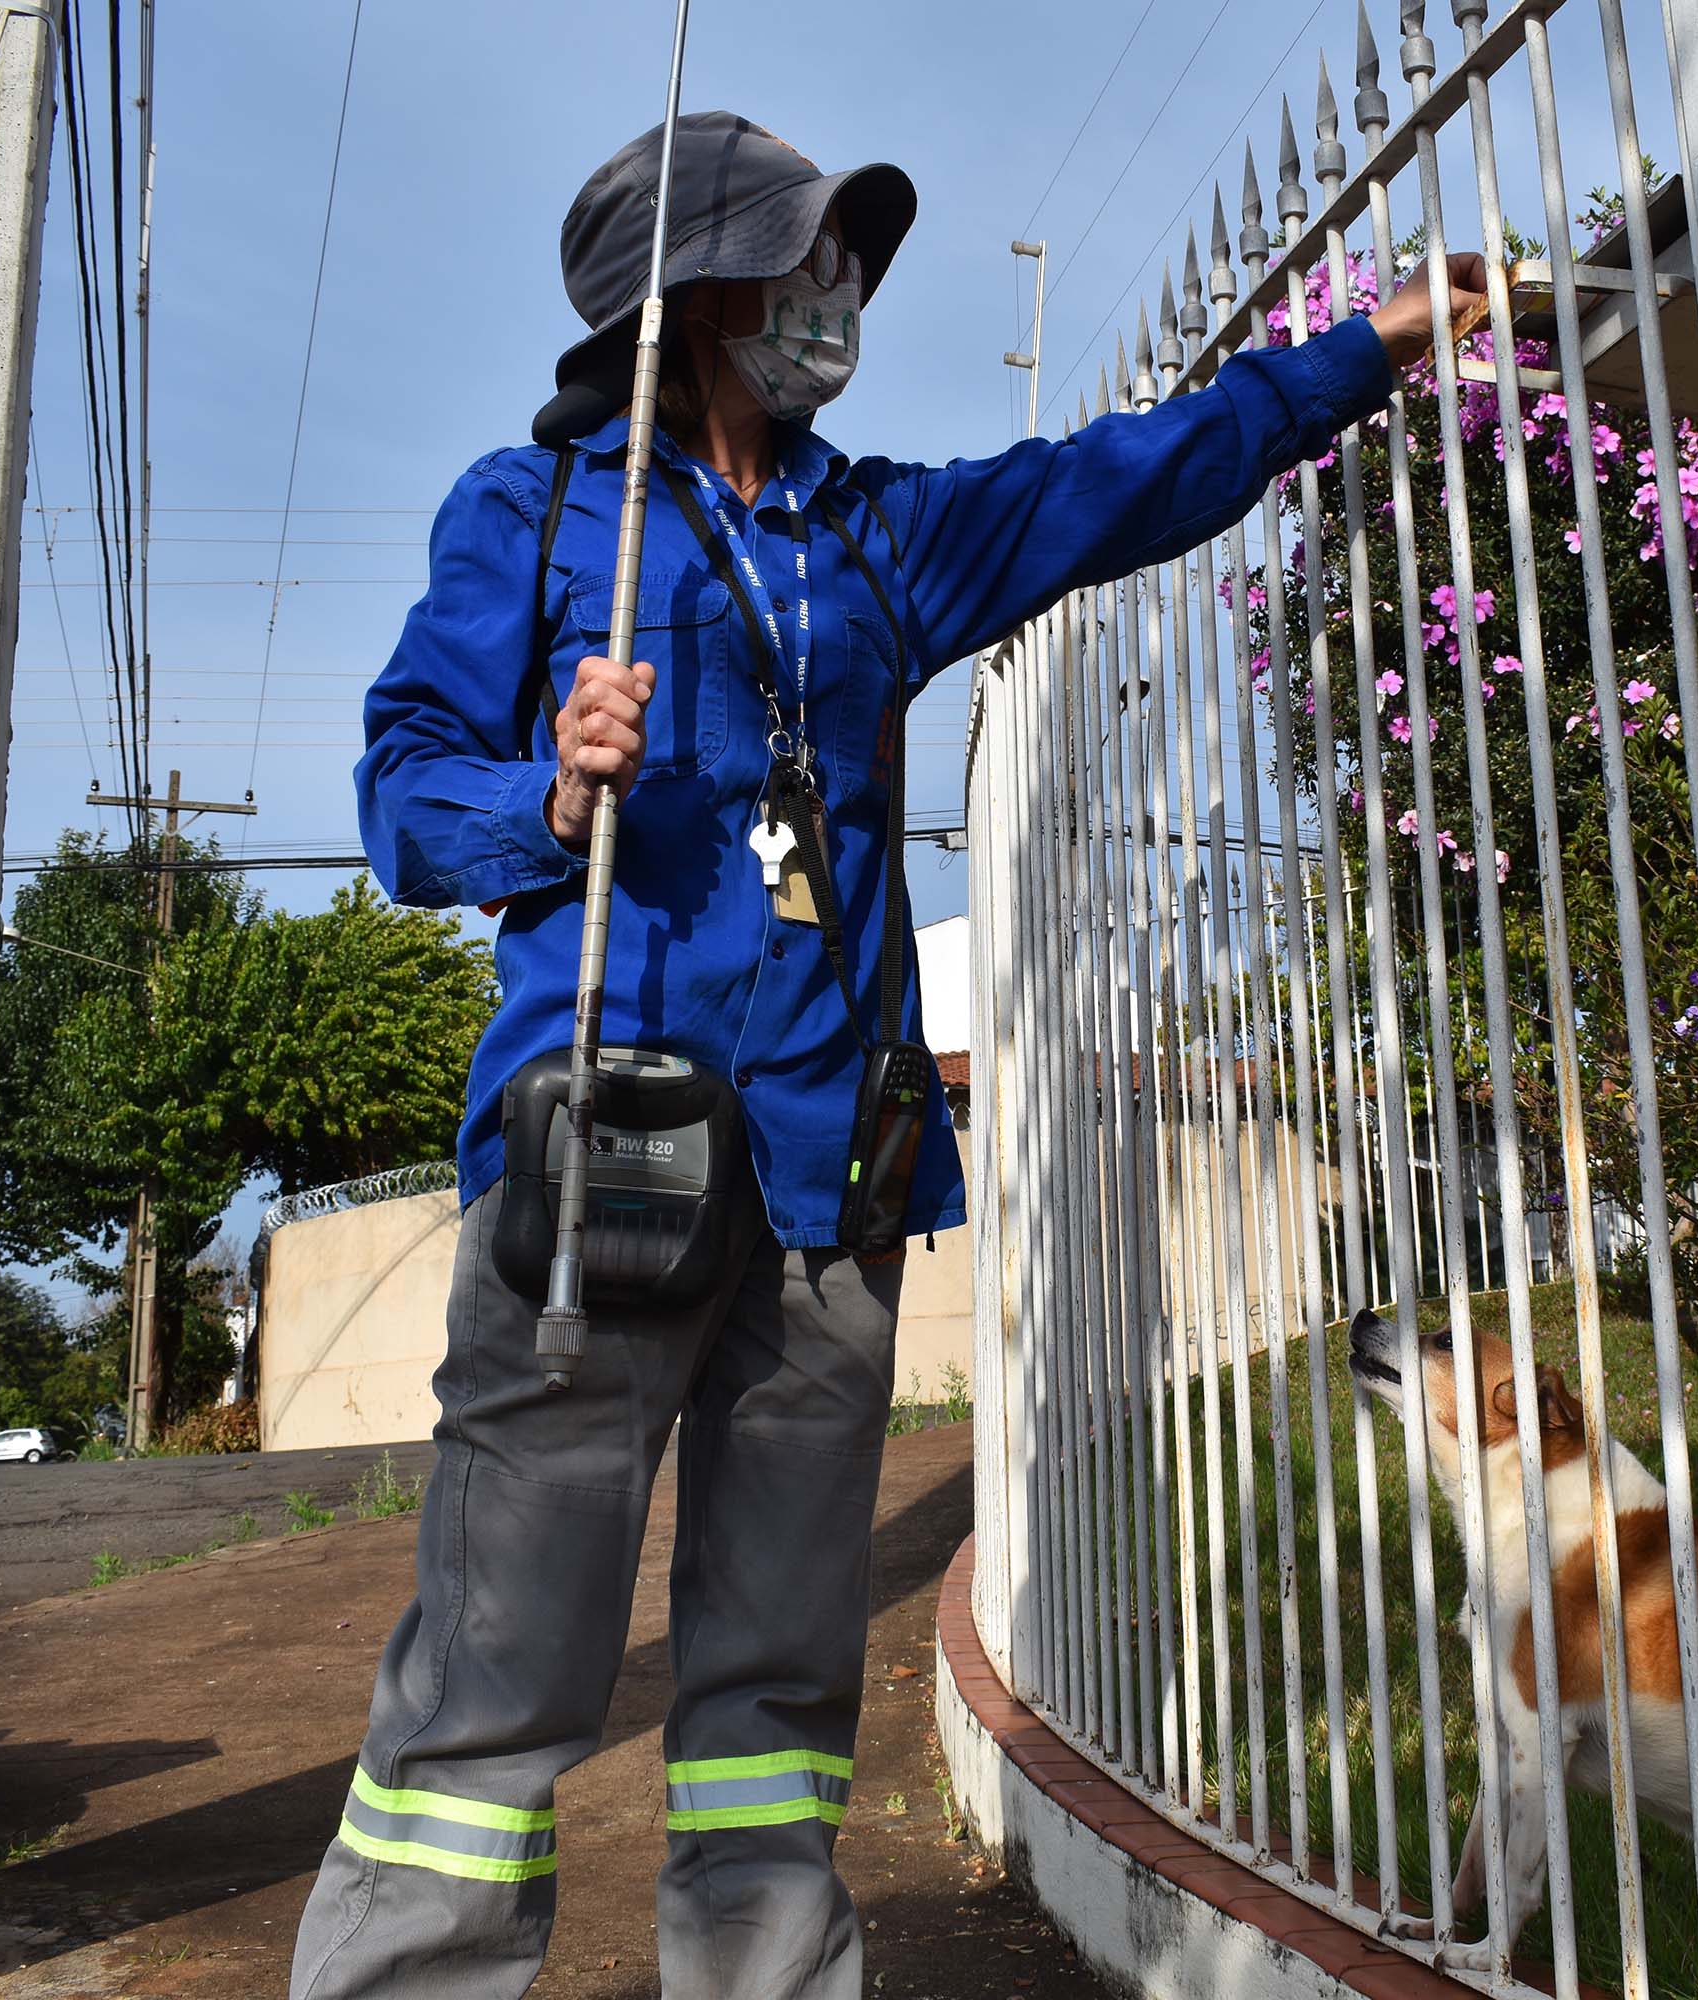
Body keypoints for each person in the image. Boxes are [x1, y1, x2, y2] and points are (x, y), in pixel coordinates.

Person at [290, 111, 1484, 2000]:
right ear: (689, 300)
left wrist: (1371, 349)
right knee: (499, 1670)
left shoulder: (877, 533)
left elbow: (1118, 480)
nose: (836, 295)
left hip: (830, 1179)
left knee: (775, 1689)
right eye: (802, 259)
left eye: (846, 258)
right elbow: (405, 797)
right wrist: (550, 791)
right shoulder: (534, 515)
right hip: (600, 1167)